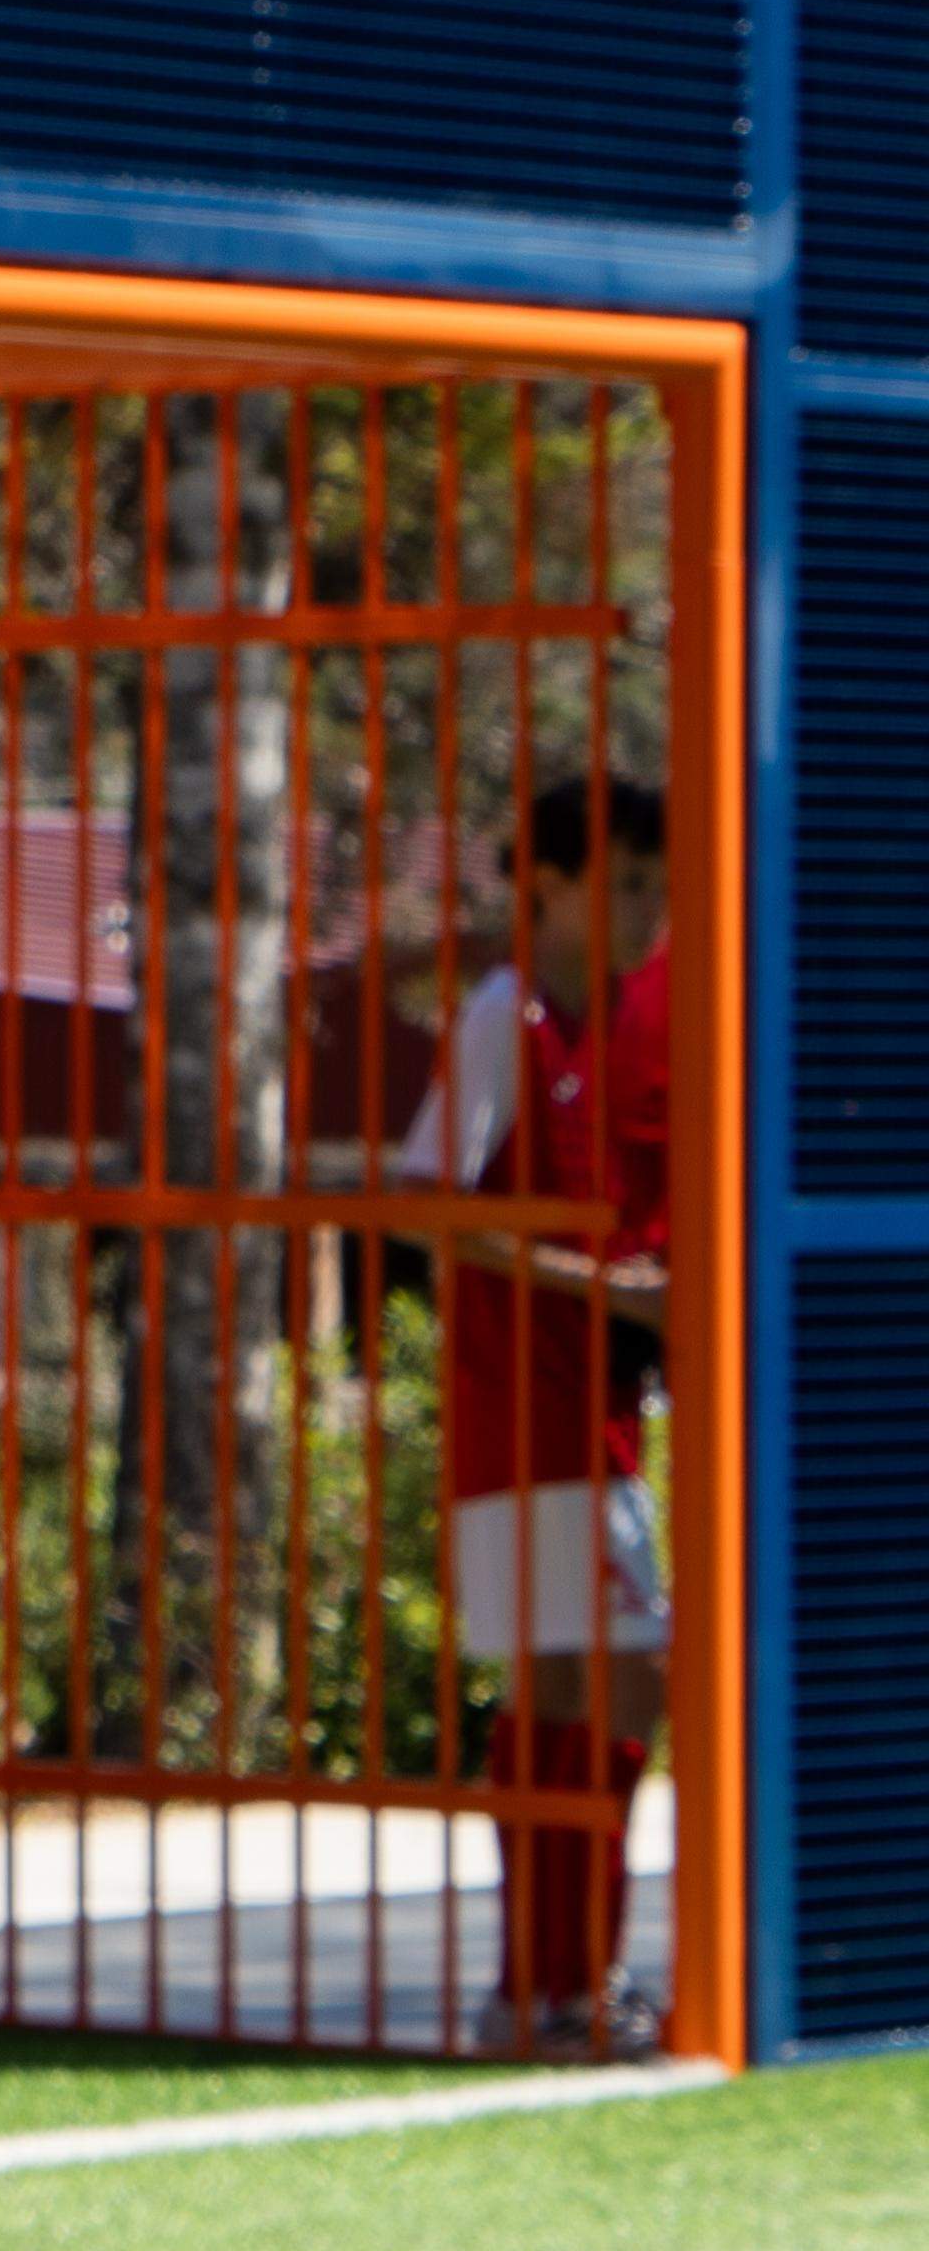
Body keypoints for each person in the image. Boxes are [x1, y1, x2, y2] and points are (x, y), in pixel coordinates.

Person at [389, 767, 676, 2055]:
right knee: (602, 1676)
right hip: (518, 1408)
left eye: (657, 886)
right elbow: (421, 1204)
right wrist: (596, 1285)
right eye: (623, 884)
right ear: (545, 887)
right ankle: (545, 1985)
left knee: (588, 1684)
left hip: (594, 1410)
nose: (645, 910)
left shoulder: (619, 1019)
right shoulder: (504, 1015)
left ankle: (556, 1985)